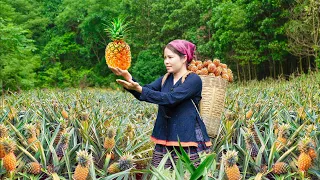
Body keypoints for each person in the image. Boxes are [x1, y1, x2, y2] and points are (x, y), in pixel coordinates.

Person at [108, 39, 212, 169]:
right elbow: (146, 92)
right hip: (165, 138)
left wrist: (140, 89)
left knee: (188, 175)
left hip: (187, 139)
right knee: (161, 174)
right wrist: (128, 78)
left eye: (170, 57)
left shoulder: (193, 79)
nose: (166, 61)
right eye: (165, 58)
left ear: (184, 58)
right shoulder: (165, 78)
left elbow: (170, 98)